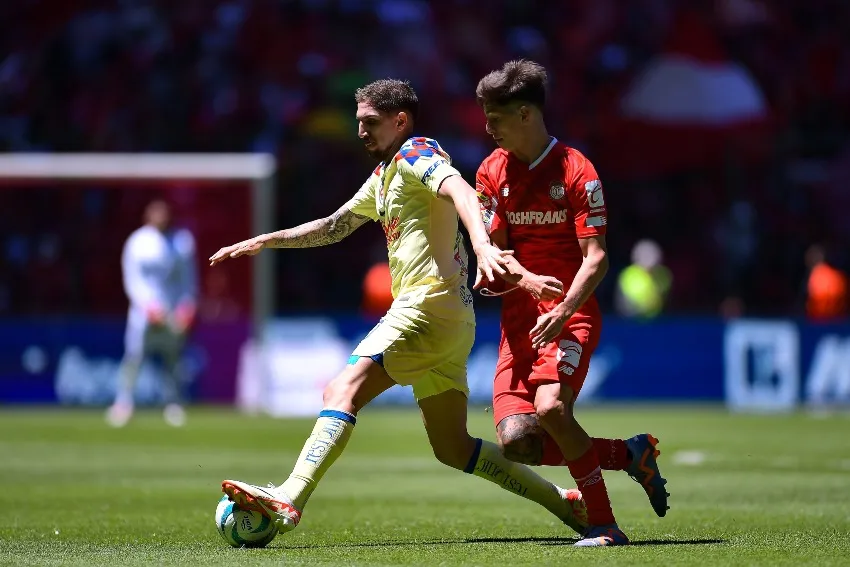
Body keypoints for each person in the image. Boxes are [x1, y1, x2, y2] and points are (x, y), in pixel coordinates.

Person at [208, 79, 589, 540]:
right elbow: (334, 226)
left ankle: (291, 495)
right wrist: (265, 241)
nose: (361, 132)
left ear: (400, 121)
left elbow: (461, 191)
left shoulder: (417, 155)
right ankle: (565, 503)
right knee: (452, 447)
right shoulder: (386, 174)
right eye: (359, 123)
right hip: (450, 318)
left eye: (370, 123)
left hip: (423, 307)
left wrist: (484, 246)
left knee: (340, 390)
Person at [473, 60, 670, 546]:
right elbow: (496, 251)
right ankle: (629, 454)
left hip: (570, 314)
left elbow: (597, 259)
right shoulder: (490, 172)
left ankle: (605, 525)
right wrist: (501, 276)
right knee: (518, 444)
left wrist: (561, 309)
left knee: (552, 410)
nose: (486, 127)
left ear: (524, 114)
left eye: (494, 118)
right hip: (519, 321)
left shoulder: (579, 172)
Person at [107, 200, 198, 428]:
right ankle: (124, 403)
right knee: (134, 357)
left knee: (173, 360)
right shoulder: (137, 242)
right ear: (148, 216)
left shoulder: (182, 242)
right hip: (143, 312)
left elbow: (188, 279)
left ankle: (174, 404)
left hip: (172, 312)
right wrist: (146, 306)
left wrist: (187, 307)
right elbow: (131, 279)